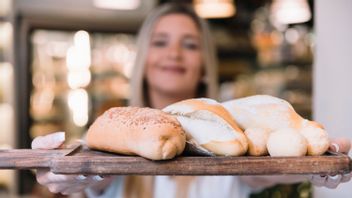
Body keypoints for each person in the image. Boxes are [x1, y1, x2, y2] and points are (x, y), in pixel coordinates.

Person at [31, 3, 351, 198]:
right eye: (161, 42)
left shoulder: (232, 139)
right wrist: (68, 173)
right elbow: (92, 181)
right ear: (142, 60)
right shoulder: (113, 138)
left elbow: (273, 167)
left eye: (189, 45)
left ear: (203, 65)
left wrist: (319, 165)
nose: (174, 53)